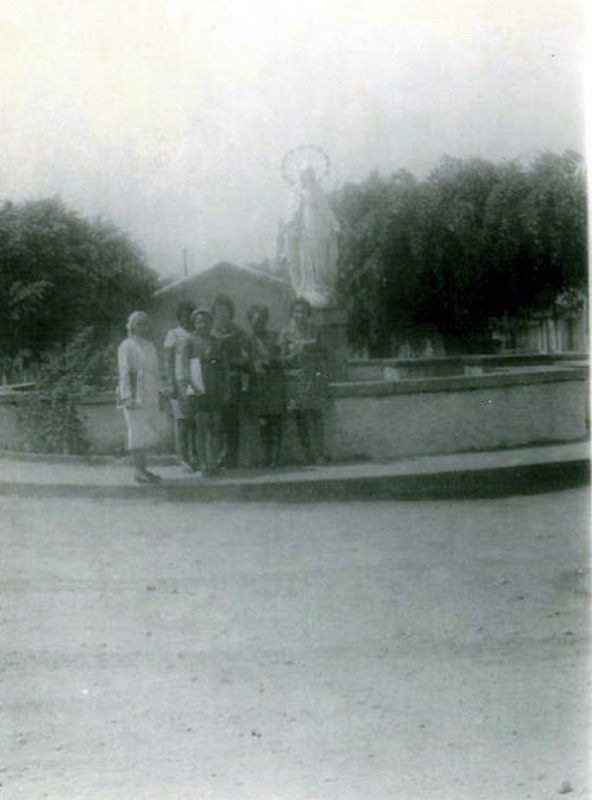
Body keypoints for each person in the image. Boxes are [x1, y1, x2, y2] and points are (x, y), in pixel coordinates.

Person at [278, 165, 340, 309]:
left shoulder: (318, 190)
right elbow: (292, 212)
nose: (308, 175)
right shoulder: (297, 191)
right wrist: (288, 226)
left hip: (319, 227)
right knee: (307, 256)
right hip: (305, 228)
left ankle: (322, 287)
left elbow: (326, 210)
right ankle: (308, 287)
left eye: (310, 172)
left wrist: (334, 225)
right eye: (305, 173)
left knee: (321, 257)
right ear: (301, 175)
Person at [278, 297, 329, 464]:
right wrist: (297, 352)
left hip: (314, 378)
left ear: (308, 314)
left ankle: (320, 454)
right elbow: (282, 360)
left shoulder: (316, 331)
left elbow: (325, 354)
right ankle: (307, 456)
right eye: (296, 312)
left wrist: (312, 353)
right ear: (291, 314)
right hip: (296, 380)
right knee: (301, 417)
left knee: (316, 416)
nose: (299, 315)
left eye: (303, 312)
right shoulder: (285, 333)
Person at [182, 309, 229, 477]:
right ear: (194, 324)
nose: (202, 325)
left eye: (206, 321)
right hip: (198, 389)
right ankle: (203, 464)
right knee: (201, 427)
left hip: (215, 387)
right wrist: (193, 388)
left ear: (211, 323)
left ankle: (213, 462)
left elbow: (224, 366)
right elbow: (185, 368)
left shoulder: (217, 341)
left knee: (216, 426)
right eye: (198, 322)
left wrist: (226, 389)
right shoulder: (189, 341)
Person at [117, 311, 162, 483]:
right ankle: (139, 471)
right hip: (133, 389)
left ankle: (144, 469)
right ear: (131, 326)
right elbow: (124, 371)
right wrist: (127, 396)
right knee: (136, 430)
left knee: (145, 431)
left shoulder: (149, 345)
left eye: (145, 323)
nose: (143, 327)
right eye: (139, 324)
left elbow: (154, 370)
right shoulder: (126, 345)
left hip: (149, 390)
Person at [210, 294, 248, 468]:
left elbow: (245, 359)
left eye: (225, 311)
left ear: (230, 313)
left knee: (231, 420)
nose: (221, 315)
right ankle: (215, 456)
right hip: (212, 382)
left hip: (232, 381)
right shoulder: (209, 333)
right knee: (215, 422)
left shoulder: (239, 333)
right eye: (218, 312)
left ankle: (231, 456)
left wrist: (229, 362)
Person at [246, 304, 284, 468]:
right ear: (250, 322)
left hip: (274, 385)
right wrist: (251, 363)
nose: (257, 323)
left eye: (261, 319)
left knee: (276, 421)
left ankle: (276, 457)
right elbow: (245, 362)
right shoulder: (248, 340)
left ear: (266, 320)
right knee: (263, 424)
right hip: (258, 387)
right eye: (254, 320)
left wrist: (269, 361)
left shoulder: (275, 337)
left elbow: (283, 358)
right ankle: (266, 456)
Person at [163, 301, 195, 470]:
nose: (187, 319)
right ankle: (183, 459)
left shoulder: (197, 332)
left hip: (196, 382)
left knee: (195, 421)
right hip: (180, 381)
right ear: (179, 317)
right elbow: (168, 360)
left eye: (190, 315)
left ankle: (194, 456)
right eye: (184, 316)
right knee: (182, 421)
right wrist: (171, 383)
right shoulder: (174, 333)